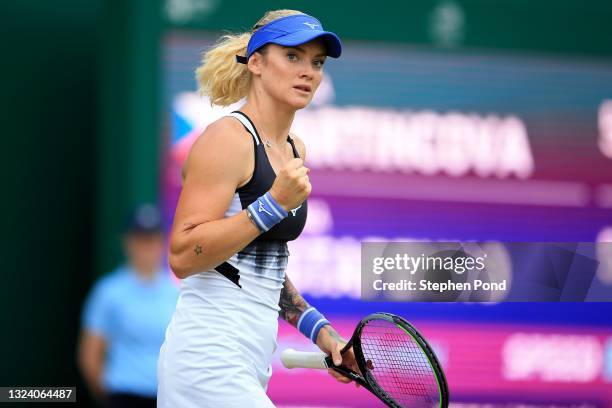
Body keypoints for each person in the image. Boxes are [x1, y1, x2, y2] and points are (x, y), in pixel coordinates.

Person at [158, 9, 359, 408]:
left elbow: (263, 269)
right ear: (256, 63)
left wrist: (325, 336)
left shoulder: (294, 150)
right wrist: (271, 205)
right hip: (206, 360)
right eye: (292, 56)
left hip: (249, 364)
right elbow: (182, 256)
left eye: (316, 62)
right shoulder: (226, 139)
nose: (308, 72)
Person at [78, 204, 179, 408]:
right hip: (124, 395)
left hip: (165, 397)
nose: (146, 248)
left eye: (151, 240)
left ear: (161, 243)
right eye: (140, 240)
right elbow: (90, 355)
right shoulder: (108, 291)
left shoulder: (176, 293)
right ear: (127, 243)